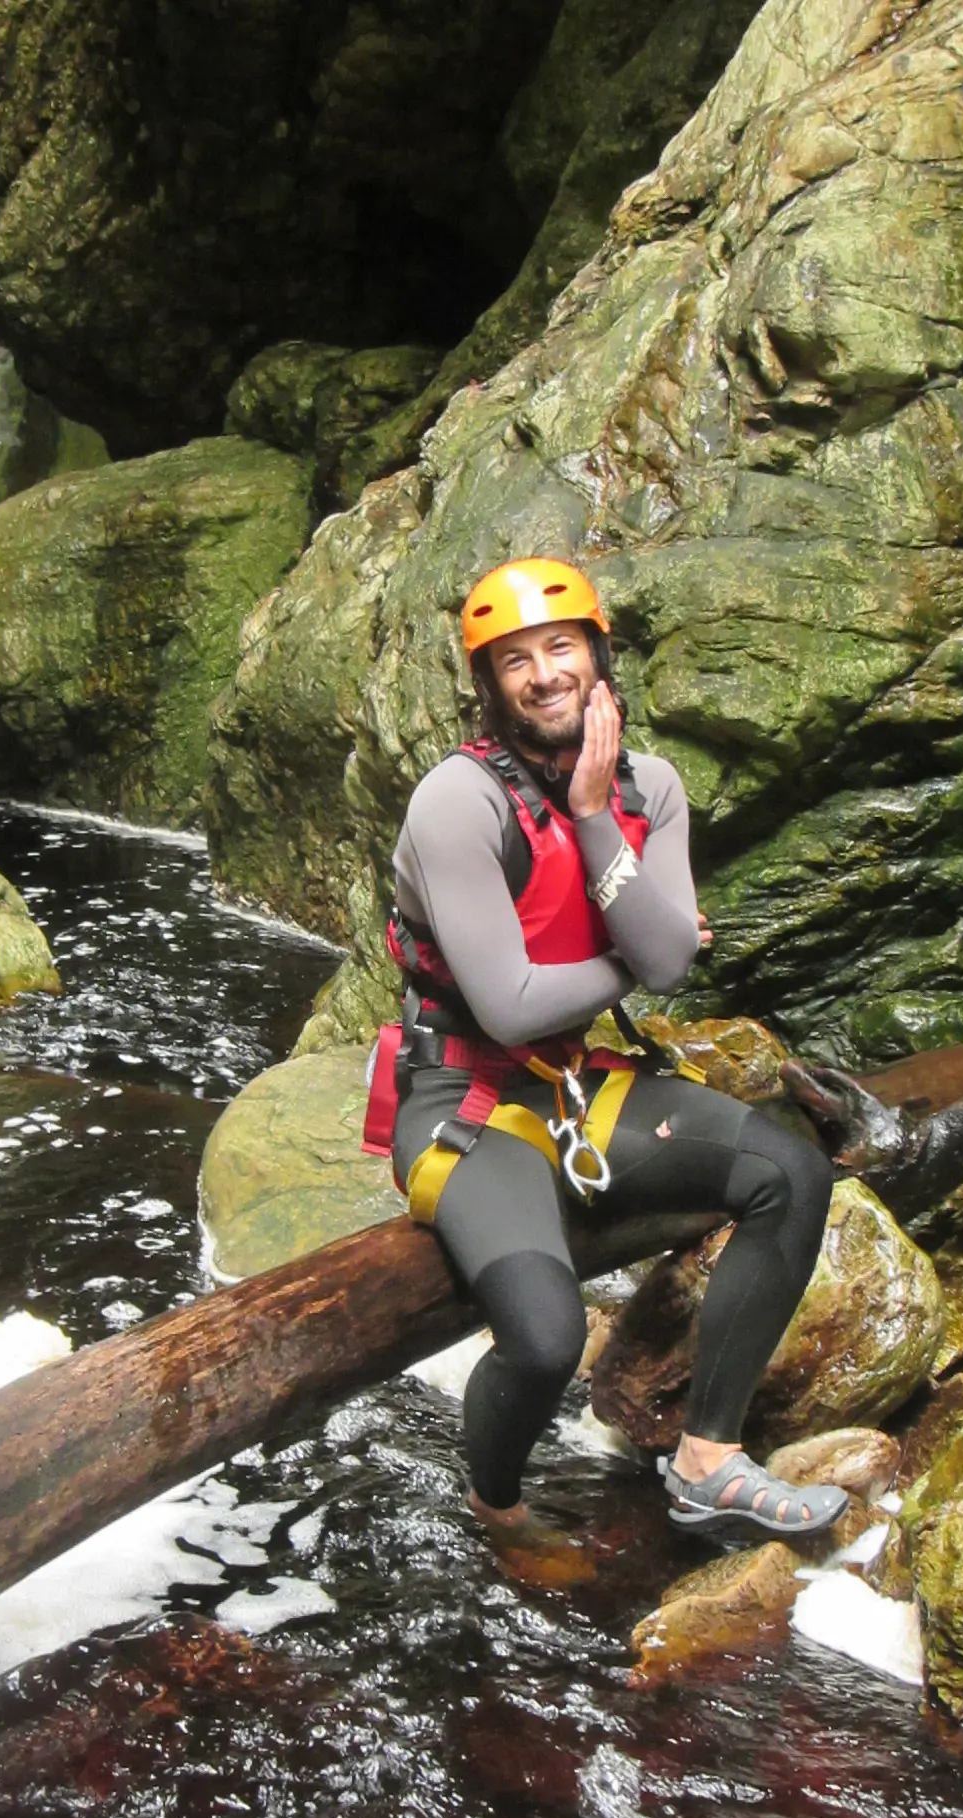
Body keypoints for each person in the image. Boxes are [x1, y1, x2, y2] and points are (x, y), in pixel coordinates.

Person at [361, 557, 846, 1546]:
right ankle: (495, 1507)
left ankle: (710, 1457)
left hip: (578, 1085)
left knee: (789, 1170)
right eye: (513, 662)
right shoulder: (458, 804)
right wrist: (641, 953)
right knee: (547, 1341)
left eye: (559, 646)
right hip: (466, 1096)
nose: (542, 674)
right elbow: (511, 1005)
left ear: (597, 655)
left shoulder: (647, 788)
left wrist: (589, 820)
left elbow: (670, 965)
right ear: (490, 688)